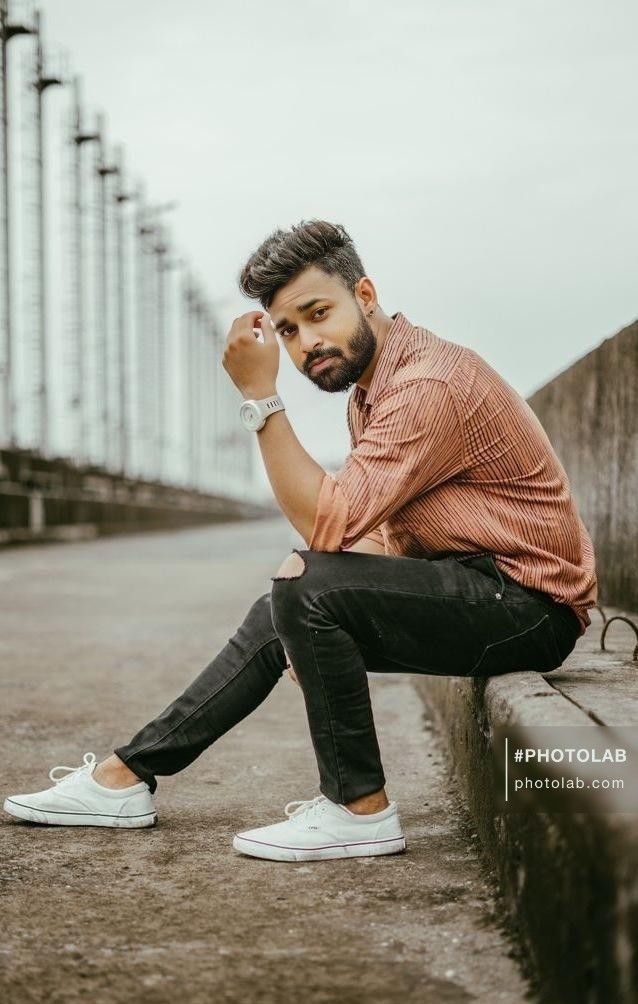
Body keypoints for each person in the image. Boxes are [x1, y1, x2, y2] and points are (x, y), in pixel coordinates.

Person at [3, 219, 597, 862]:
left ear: (364, 295)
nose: (307, 342)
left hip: (529, 607)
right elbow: (376, 537)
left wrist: (260, 396)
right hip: (483, 588)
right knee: (291, 595)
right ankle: (126, 775)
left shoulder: (429, 384)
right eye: (287, 330)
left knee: (307, 587)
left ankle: (358, 807)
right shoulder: (372, 392)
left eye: (319, 313)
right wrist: (307, 597)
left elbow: (328, 520)